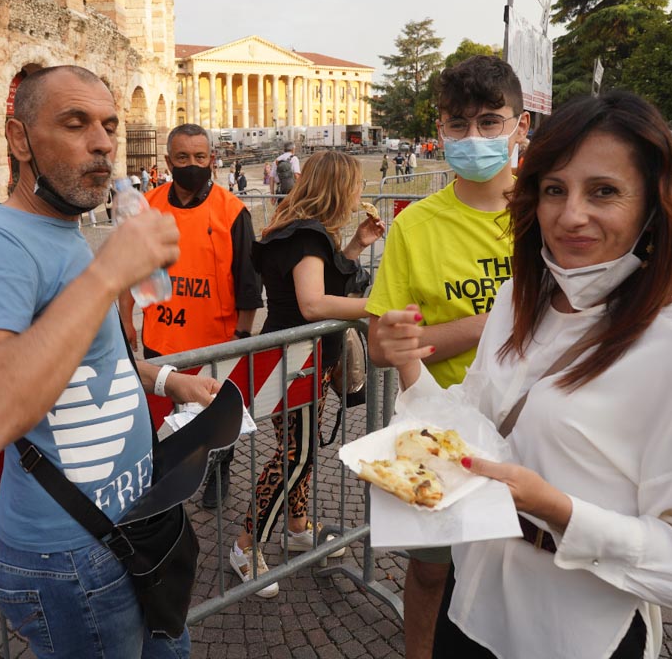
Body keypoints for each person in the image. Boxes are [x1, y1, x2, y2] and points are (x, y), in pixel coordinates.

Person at [376, 90, 672, 659]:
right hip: (471, 603)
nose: (571, 214)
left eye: (603, 191)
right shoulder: (516, 300)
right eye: (554, 189)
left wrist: (557, 510)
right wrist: (408, 360)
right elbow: (470, 426)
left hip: (576, 632)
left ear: (652, 203)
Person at [0, 66, 219, 659]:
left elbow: (85, 360)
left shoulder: (65, 231)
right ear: (19, 139)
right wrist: (107, 275)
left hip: (132, 525)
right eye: (75, 123)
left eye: (109, 125)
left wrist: (168, 378)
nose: (102, 142)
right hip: (71, 556)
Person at [366, 54, 527, 659]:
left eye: (490, 122)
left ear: (521, 124)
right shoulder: (416, 225)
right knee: (432, 572)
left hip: (535, 429)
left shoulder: (548, 215)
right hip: (443, 434)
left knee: (522, 569)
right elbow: (386, 344)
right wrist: (498, 321)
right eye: (458, 125)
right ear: (439, 129)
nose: (473, 138)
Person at [230, 150, 384, 597]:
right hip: (295, 363)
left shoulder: (301, 233)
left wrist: (354, 247)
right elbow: (313, 304)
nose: (359, 193)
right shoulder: (307, 237)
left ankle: (297, 526)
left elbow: (321, 284)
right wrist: (380, 306)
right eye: (354, 184)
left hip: (301, 361)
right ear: (337, 187)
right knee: (295, 456)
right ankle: (245, 545)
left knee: (301, 450)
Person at [121, 123, 262, 509]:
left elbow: (249, 282)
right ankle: (172, 475)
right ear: (168, 161)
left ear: (212, 160)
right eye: (182, 157)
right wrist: (125, 322)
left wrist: (243, 335)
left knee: (220, 419)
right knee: (166, 418)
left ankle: (219, 469)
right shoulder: (147, 207)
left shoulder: (232, 211)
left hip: (215, 344)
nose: (192, 164)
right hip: (161, 341)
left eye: (200, 157)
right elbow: (127, 271)